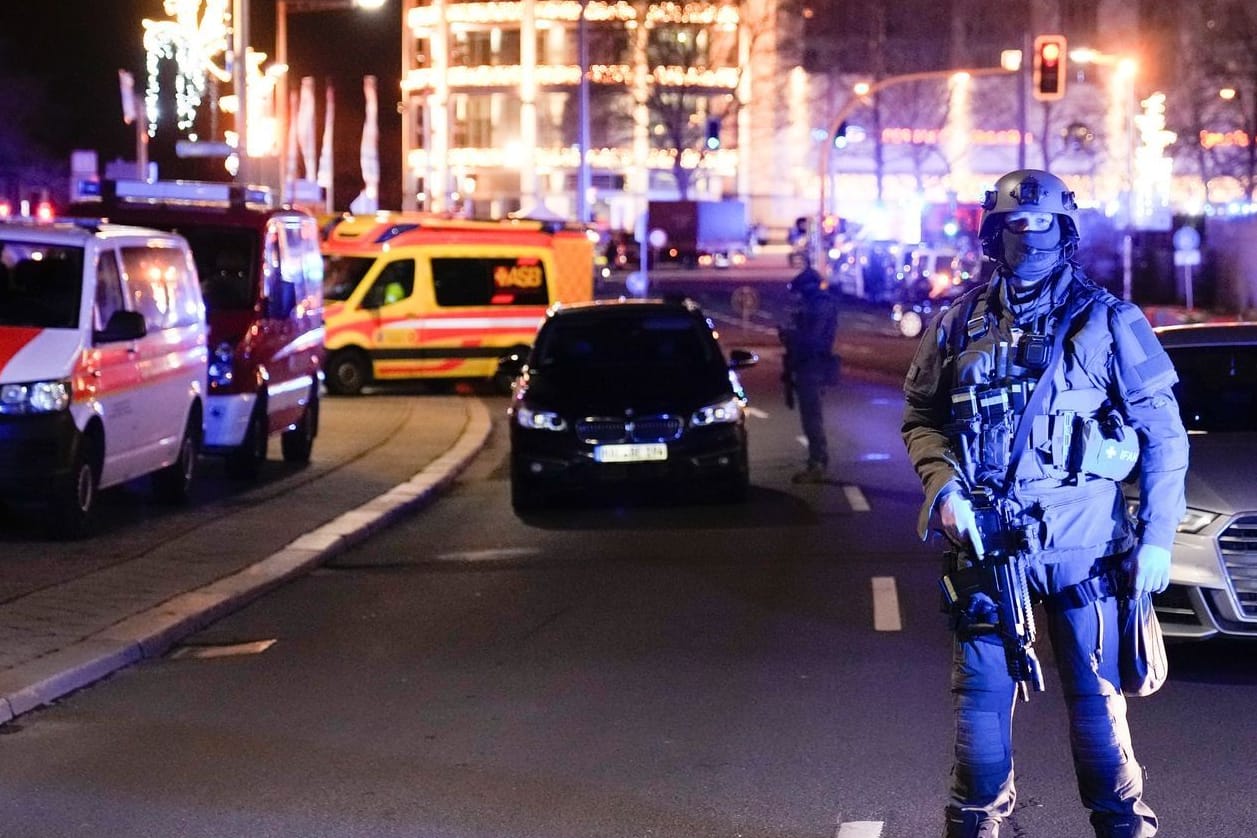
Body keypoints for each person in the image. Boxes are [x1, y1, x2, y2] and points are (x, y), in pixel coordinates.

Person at [900, 169, 1189, 838]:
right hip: (986, 549)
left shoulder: (1109, 321)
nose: (1029, 241)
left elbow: (1162, 436)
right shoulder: (956, 322)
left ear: (1066, 233)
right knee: (977, 721)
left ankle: (1122, 828)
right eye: (1015, 228)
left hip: (1083, 547)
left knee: (1095, 711)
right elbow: (921, 415)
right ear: (991, 236)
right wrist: (942, 486)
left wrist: (1156, 537)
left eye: (1043, 228)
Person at [779, 264, 841, 483]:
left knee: (812, 417)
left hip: (811, 365)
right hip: (806, 365)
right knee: (809, 417)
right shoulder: (815, 304)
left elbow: (813, 339)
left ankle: (817, 462)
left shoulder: (819, 305)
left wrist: (791, 336)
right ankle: (816, 459)